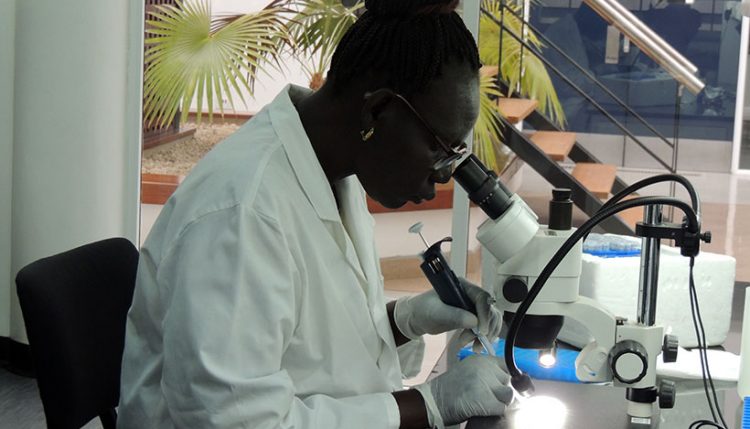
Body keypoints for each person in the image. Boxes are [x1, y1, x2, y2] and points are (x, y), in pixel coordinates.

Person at [118, 0, 514, 427]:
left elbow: (307, 344)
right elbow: (236, 420)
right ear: (378, 110)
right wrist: (430, 404)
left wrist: (405, 320)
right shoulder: (242, 214)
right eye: (441, 146)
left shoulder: (334, 168)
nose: (445, 174)